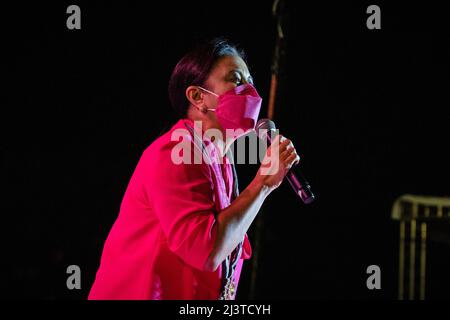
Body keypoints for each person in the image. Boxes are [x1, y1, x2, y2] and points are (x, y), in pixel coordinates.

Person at [88, 38, 300, 300]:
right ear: (198, 96)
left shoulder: (218, 161)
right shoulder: (173, 152)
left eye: (250, 81)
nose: (250, 91)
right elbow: (207, 250)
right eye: (236, 80)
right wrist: (263, 183)